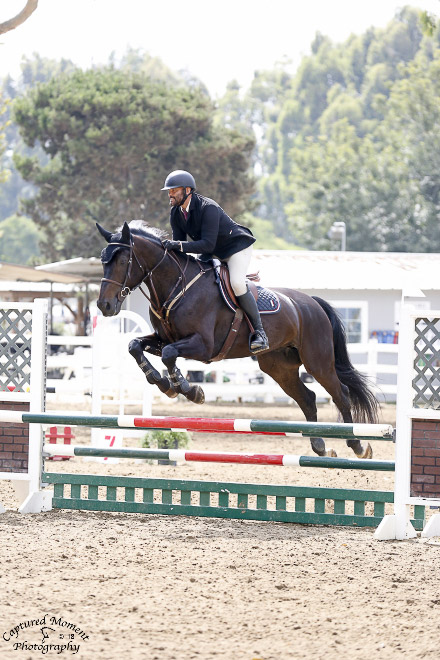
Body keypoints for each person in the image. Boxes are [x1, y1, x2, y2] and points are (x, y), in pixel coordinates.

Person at [161, 169, 269, 354]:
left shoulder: (208, 207)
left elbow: (207, 245)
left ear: (188, 190)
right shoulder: (176, 213)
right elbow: (181, 246)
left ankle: (260, 333)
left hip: (235, 248)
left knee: (236, 282)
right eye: (169, 191)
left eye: (174, 190)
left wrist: (176, 245)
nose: (170, 194)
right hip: (212, 252)